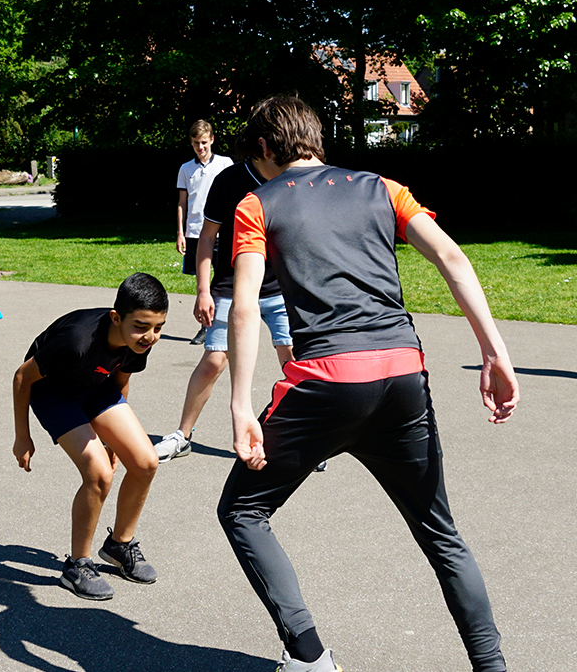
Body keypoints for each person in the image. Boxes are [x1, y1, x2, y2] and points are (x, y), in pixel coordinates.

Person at [220, 96, 519, 672]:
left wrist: (239, 406)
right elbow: (452, 257)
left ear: (262, 148)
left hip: (328, 383)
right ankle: (493, 667)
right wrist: (494, 352)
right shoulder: (384, 187)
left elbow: (245, 305)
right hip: (402, 375)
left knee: (243, 511)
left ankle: (309, 658)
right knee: (441, 534)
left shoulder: (256, 203)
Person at [12, 273, 168, 601]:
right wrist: (22, 437)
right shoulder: (77, 341)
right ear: (116, 318)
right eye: (142, 326)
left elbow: (121, 380)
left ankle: (119, 545)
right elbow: (22, 377)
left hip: (96, 386)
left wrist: (113, 441)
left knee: (146, 462)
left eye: (158, 327)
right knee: (99, 474)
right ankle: (77, 565)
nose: (150, 336)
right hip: (53, 394)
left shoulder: (140, 341)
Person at [155, 137, 295, 462]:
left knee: (293, 361)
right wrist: (203, 290)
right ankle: (182, 436)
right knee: (214, 361)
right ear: (263, 147)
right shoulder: (229, 180)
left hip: (278, 288)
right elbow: (207, 237)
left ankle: (302, 438)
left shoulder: (291, 179)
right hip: (231, 287)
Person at [175, 120, 233, 345]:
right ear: (191, 143)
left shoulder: (225, 164)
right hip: (196, 232)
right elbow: (182, 203)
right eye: (196, 143)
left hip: (222, 232)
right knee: (203, 282)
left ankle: (227, 323)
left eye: (204, 142)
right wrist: (180, 233)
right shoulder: (186, 169)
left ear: (212, 140)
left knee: (224, 279)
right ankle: (205, 326)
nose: (201, 147)